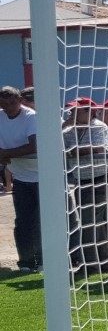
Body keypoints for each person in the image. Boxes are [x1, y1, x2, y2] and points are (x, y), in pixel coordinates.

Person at [63, 98, 108, 278]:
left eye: (76, 111)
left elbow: (96, 149)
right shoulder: (68, 129)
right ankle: (103, 264)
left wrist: (74, 151)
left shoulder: (99, 126)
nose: (71, 114)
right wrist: (65, 126)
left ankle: (91, 266)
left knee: (88, 223)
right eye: (71, 111)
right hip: (84, 179)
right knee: (95, 224)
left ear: (90, 111)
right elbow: (58, 145)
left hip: (102, 178)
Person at [0, 86, 41, 272]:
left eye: (12, 101)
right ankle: (26, 261)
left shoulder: (31, 116)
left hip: (42, 177)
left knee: (42, 221)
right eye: (4, 103)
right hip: (21, 177)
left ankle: (43, 260)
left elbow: (35, 146)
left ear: (19, 100)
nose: (9, 106)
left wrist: (7, 153)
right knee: (23, 222)